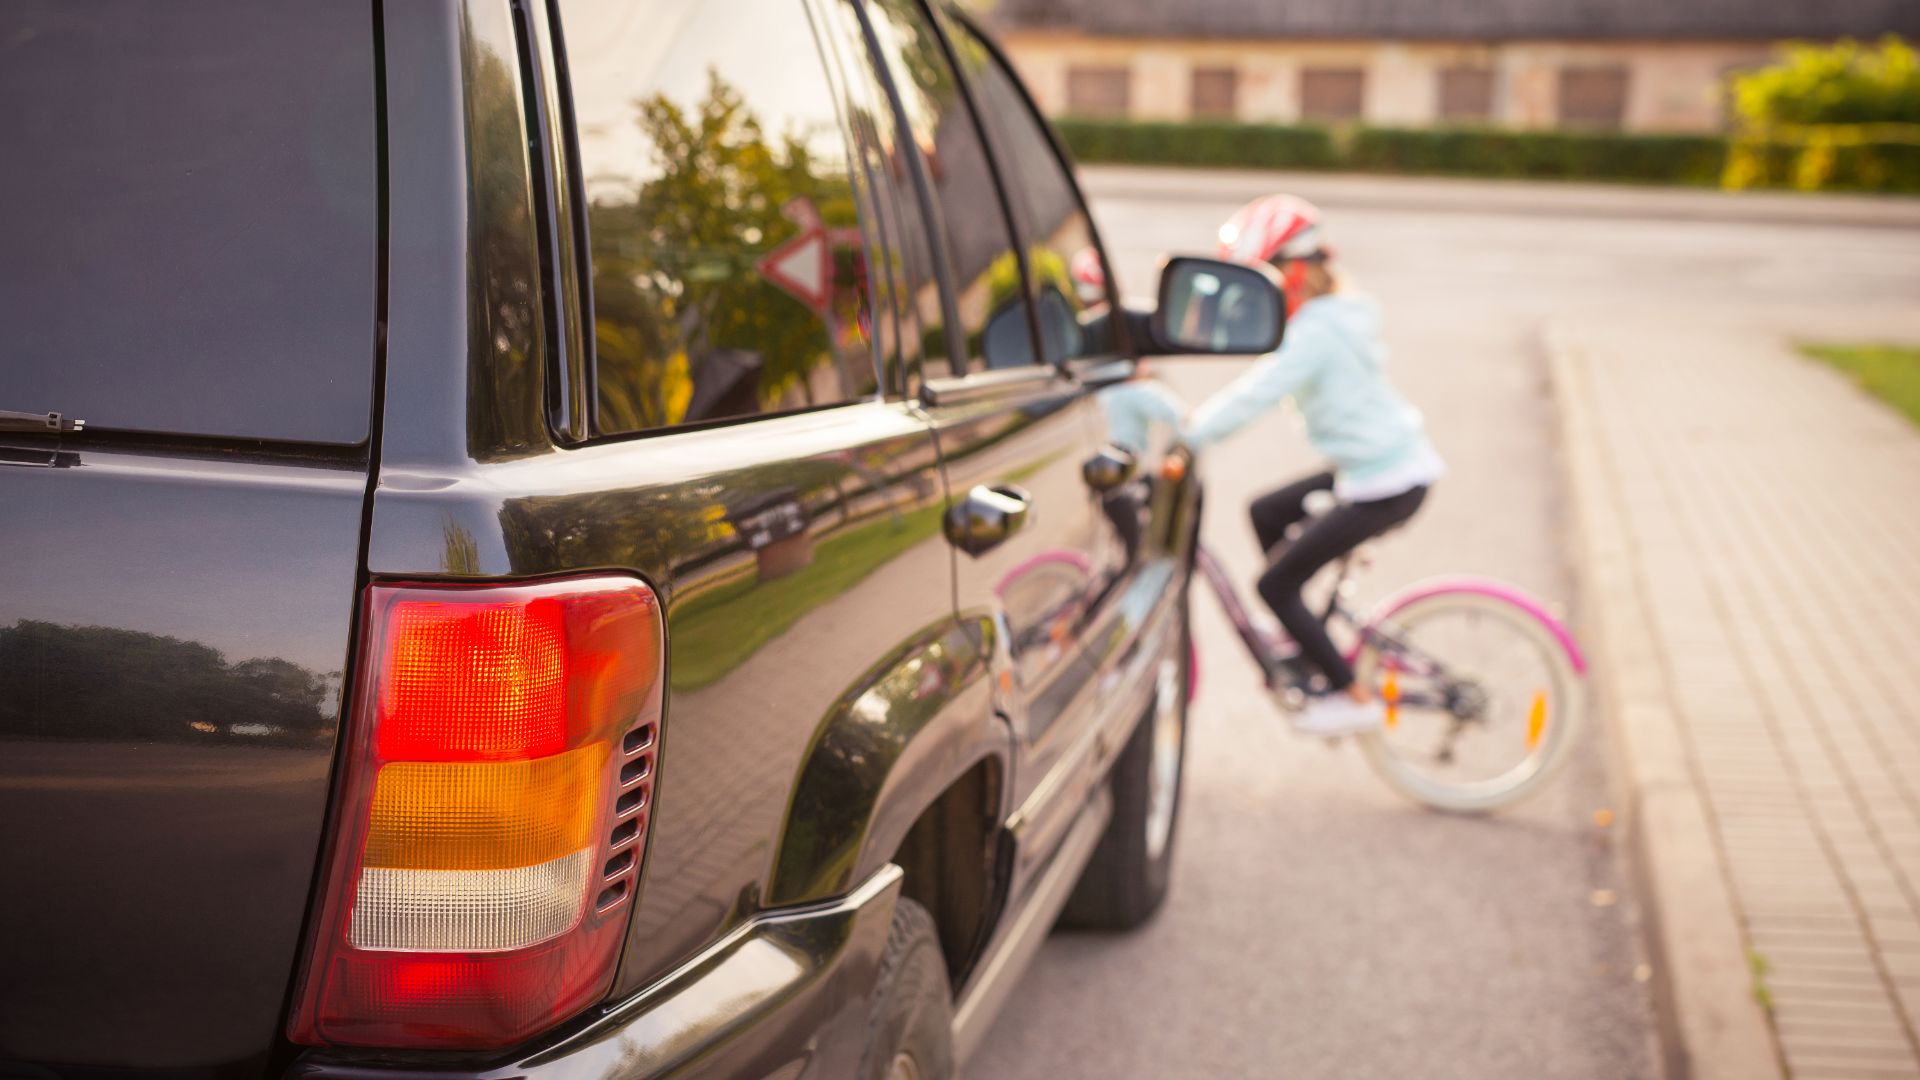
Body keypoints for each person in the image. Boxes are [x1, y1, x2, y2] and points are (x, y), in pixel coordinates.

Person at [1182, 194, 1444, 736]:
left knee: (1274, 586)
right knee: (1264, 511)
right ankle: (1301, 630)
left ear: (1295, 274)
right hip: (1377, 464)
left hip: (1386, 483)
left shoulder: (1317, 332)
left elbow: (1257, 392)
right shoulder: (1334, 315)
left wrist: (1186, 437)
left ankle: (1353, 695)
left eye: (1260, 280)